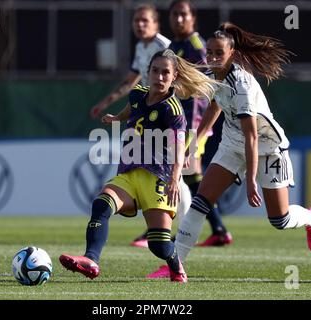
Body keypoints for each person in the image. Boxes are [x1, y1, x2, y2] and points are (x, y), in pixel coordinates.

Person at [151, 22, 311, 278]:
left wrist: (251, 180)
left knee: (280, 219)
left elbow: (251, 136)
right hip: (233, 144)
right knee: (201, 201)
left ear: (232, 53)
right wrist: (194, 143)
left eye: (218, 53)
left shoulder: (240, 84)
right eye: (209, 52)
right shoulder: (214, 76)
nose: (211, 57)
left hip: (267, 147)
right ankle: (174, 266)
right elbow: (213, 107)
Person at [59, 49, 221, 283]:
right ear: (148, 73)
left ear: (174, 76)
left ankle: (176, 266)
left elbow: (178, 149)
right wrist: (117, 118)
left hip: (158, 179)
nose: (160, 77)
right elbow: (132, 109)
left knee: (158, 244)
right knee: (101, 204)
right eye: (156, 71)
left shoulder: (172, 110)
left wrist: (175, 179)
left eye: (166, 73)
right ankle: (91, 260)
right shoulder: (138, 93)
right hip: (129, 173)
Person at [132, 0, 232, 251]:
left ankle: (165, 228)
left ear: (193, 18)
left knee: (182, 173)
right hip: (175, 121)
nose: (178, 19)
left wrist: (197, 127)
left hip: (190, 123)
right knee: (189, 176)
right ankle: (216, 228)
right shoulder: (174, 46)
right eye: (174, 14)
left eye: (183, 14)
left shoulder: (197, 46)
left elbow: (203, 86)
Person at [89, 4, 170, 119]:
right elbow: (129, 83)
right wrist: (104, 104)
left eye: (145, 20)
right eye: (136, 20)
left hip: (166, 108)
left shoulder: (165, 46)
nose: (140, 24)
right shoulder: (140, 47)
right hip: (150, 106)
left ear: (155, 24)